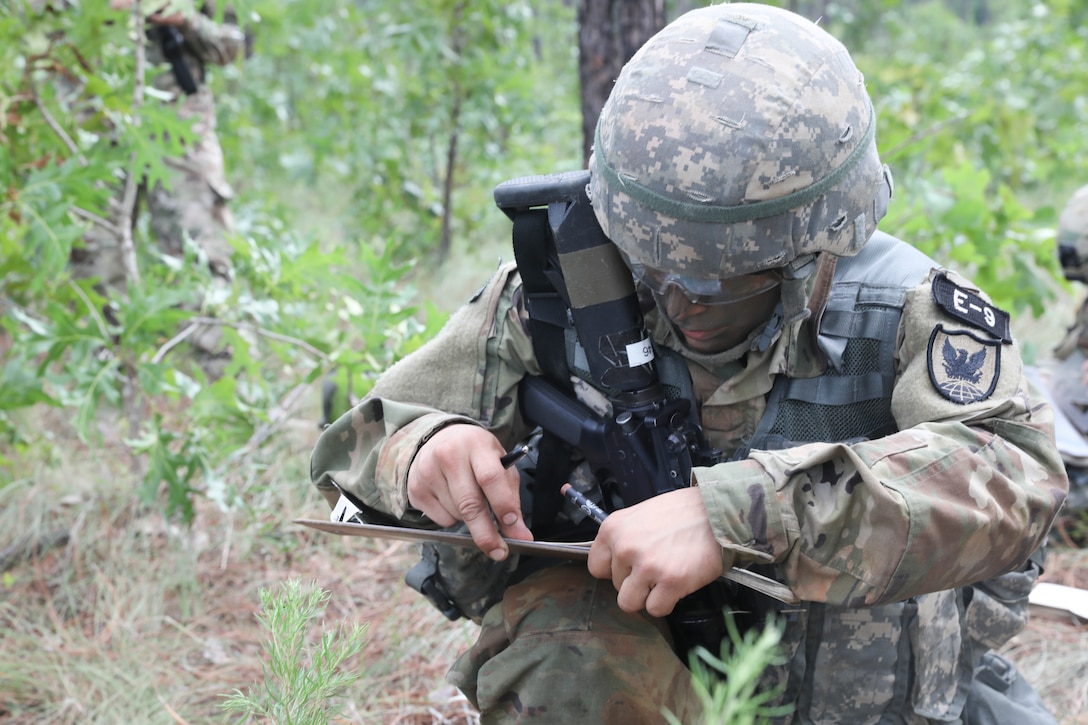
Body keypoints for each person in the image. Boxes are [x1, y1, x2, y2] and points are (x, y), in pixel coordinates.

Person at [310, 5, 1067, 723]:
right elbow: (365, 437)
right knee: (558, 652)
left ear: (817, 250)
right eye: (649, 266)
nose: (682, 300)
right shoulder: (564, 296)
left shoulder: (902, 314)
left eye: (717, 279)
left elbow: (1016, 471)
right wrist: (427, 446)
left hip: (873, 701)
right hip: (647, 685)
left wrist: (734, 513)